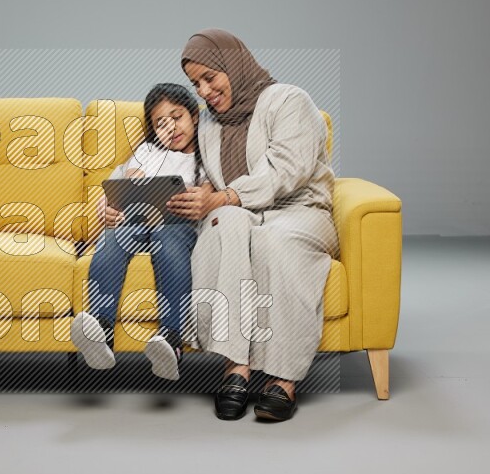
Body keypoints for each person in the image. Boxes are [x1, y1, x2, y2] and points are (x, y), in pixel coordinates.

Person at [166, 29, 339, 421]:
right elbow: (206, 177)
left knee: (272, 243)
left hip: (299, 210)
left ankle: (283, 377)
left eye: (210, 78)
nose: (205, 91)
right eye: (196, 84)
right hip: (244, 213)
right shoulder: (209, 125)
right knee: (221, 224)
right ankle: (235, 364)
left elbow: (285, 170)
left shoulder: (289, 100)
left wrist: (225, 196)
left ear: (234, 64)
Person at [71, 83, 206, 380]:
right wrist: (110, 201)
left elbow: (209, 195)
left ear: (194, 116)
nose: (171, 127)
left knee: (168, 241)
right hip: (136, 219)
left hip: (175, 225)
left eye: (177, 116)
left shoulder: (206, 155)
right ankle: (101, 332)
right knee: (112, 238)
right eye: (161, 123)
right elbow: (129, 180)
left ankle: (171, 339)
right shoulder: (148, 150)